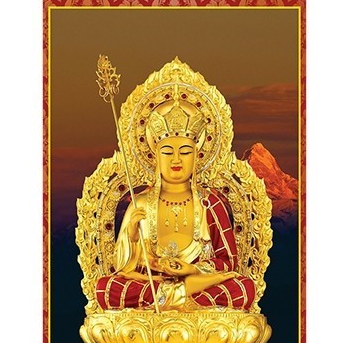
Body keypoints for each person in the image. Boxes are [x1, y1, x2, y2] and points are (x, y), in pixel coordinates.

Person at [95, 96, 256, 310]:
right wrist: (132, 237)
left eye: (186, 152)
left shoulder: (209, 203)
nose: (176, 159)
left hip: (196, 282)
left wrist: (192, 270)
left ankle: (170, 297)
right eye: (168, 152)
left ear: (197, 155)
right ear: (156, 156)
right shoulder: (140, 203)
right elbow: (122, 267)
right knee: (105, 288)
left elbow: (228, 261)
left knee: (244, 288)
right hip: (155, 283)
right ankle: (182, 293)